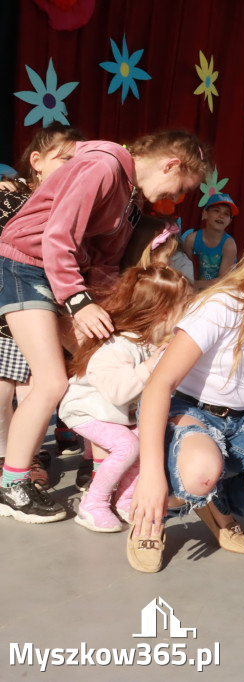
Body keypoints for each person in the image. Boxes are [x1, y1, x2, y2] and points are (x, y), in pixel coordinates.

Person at [0, 130, 209, 524]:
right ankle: (12, 485)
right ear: (171, 165)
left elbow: (105, 262)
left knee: (100, 355)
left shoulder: (128, 195)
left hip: (54, 275)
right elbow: (57, 236)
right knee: (49, 382)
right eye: (181, 187)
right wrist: (79, 302)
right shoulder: (103, 165)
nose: (174, 196)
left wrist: (118, 312)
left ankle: (102, 480)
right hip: (23, 266)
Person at [129, 219, 244, 574]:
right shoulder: (223, 306)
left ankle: (214, 499)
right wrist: (151, 475)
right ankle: (158, 508)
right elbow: (158, 385)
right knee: (200, 471)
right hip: (185, 410)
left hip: (242, 421)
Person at [60, 265, 192, 532]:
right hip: (86, 411)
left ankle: (125, 500)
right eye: (184, 309)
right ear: (163, 313)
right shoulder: (117, 346)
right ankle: (92, 504)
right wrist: (150, 367)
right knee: (127, 447)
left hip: (114, 412)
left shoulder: (147, 343)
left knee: (147, 442)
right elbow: (117, 392)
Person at [0, 123, 85, 488]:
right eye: (63, 159)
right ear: (36, 161)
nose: (70, 168)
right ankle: (7, 459)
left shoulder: (71, 204)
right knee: (3, 393)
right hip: (8, 307)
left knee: (37, 391)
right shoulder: (10, 195)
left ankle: (28, 459)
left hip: (46, 309)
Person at [183, 193, 238, 290]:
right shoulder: (191, 239)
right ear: (205, 214)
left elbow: (224, 280)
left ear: (229, 221)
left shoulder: (229, 245)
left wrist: (195, 285)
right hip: (203, 287)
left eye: (226, 214)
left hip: (224, 289)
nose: (221, 216)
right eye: (216, 211)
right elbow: (184, 268)